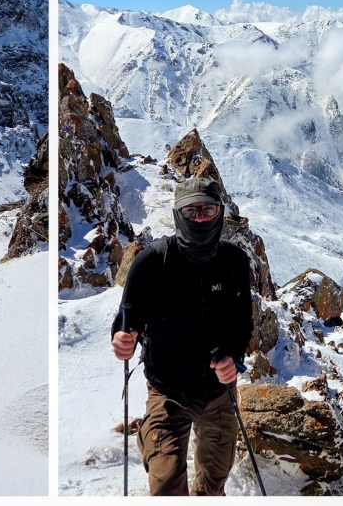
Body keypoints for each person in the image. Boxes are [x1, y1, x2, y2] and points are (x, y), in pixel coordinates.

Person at [111, 176, 254, 496]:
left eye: (208, 210)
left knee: (214, 477)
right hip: (168, 389)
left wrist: (234, 356)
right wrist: (122, 338)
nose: (200, 218)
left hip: (218, 389)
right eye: (191, 211)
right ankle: (152, 433)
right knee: (166, 485)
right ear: (178, 214)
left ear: (220, 212)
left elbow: (242, 321)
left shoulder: (234, 262)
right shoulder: (151, 262)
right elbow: (127, 316)